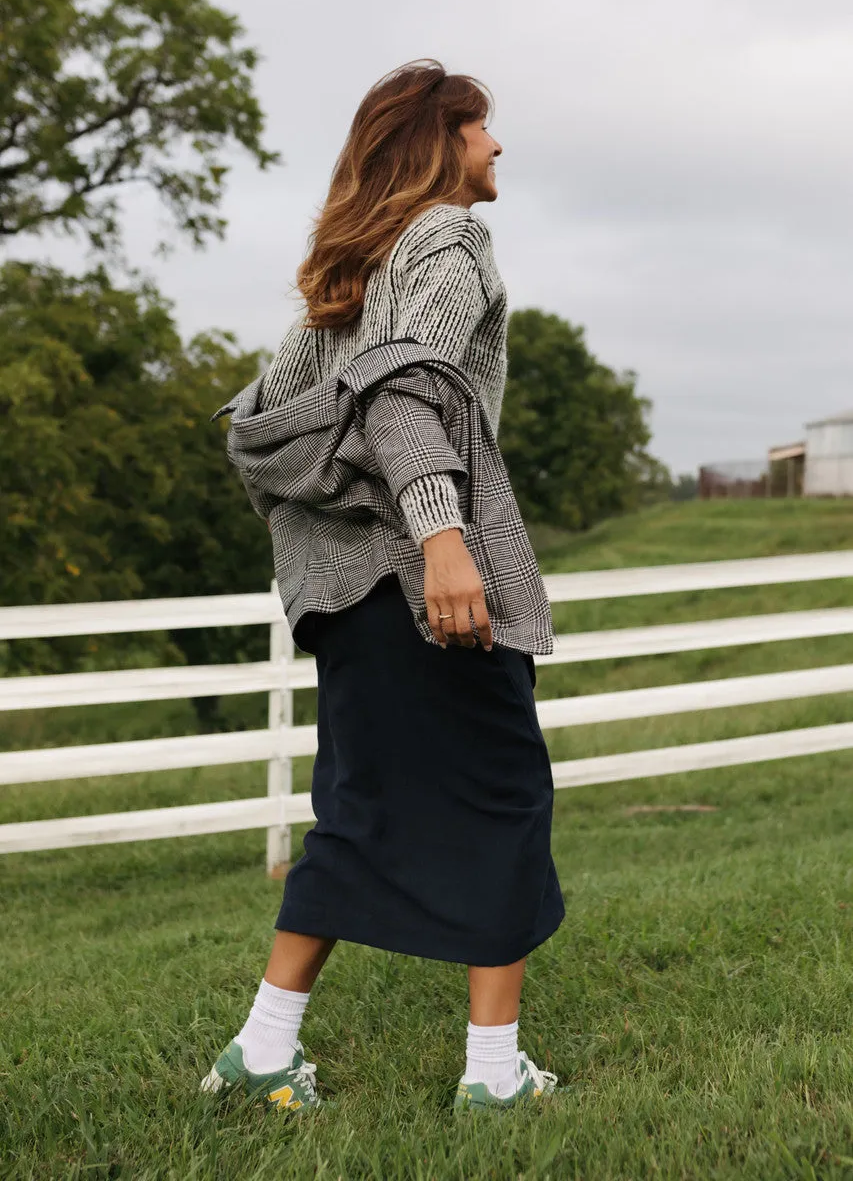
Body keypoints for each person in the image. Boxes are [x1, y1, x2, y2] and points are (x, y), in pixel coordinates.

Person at [201, 58, 565, 1114]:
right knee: (505, 793)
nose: (497, 146)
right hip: (424, 575)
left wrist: (344, 527)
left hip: (344, 591)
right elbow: (407, 387)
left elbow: (267, 416)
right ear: (440, 142)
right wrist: (443, 538)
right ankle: (493, 1075)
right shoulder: (448, 240)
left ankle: (260, 1053)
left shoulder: (345, 269)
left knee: (356, 809)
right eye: (481, 128)